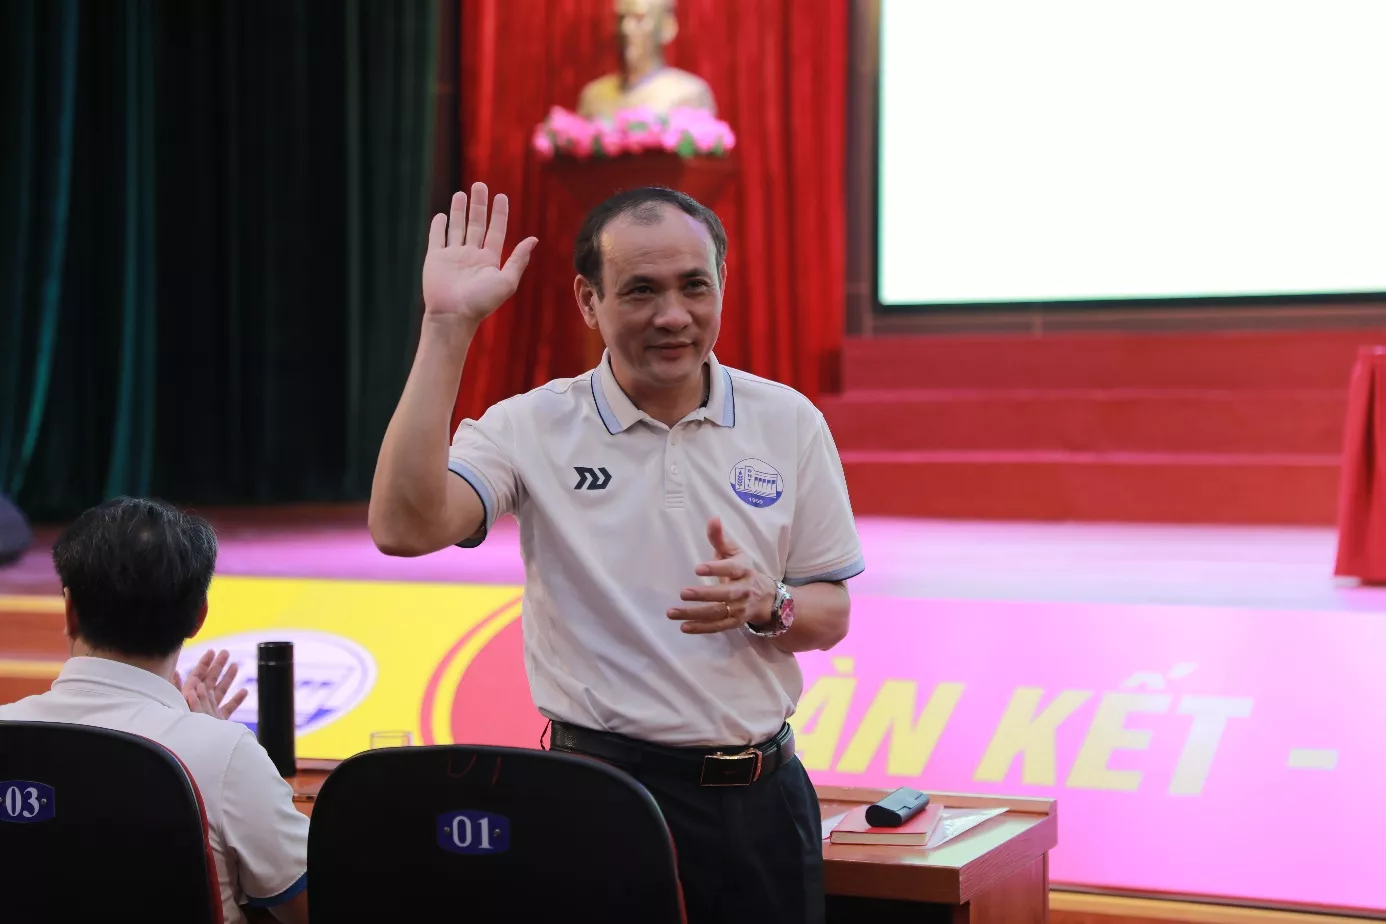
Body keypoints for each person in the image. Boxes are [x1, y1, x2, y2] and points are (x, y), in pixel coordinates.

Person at [369, 182, 863, 923]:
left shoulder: (787, 421)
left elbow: (830, 615)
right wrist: (446, 328)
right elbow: (404, 528)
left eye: (694, 286)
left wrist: (770, 601)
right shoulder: (532, 426)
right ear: (588, 301)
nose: (673, 315)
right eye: (640, 291)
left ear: (722, 283)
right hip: (600, 799)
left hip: (766, 801)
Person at [0, 497, 309, 924]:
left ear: (69, 610)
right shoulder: (224, 756)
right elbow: (318, 907)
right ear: (198, 617)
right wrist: (218, 747)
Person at [577, 0, 716, 119]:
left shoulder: (689, 94)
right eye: (621, 18)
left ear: (667, 27)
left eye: (639, 19)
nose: (626, 28)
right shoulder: (593, 96)